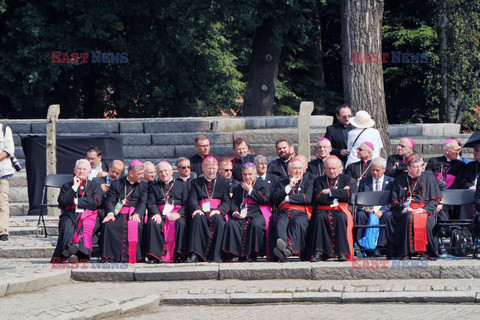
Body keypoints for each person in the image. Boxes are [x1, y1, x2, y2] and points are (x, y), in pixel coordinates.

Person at [386, 155, 442, 260]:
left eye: (421, 166)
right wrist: (405, 208)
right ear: (408, 168)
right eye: (416, 167)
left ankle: (424, 253)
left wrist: (423, 209)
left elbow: (434, 200)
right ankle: (405, 253)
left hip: (425, 211)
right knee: (407, 217)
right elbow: (394, 201)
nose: (419, 169)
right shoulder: (399, 180)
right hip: (405, 210)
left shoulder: (428, 178)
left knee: (422, 220)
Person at [306, 156, 357, 262]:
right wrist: (339, 193)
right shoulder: (319, 180)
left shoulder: (347, 179)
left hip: (340, 210)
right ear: (325, 168)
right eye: (329, 168)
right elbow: (318, 197)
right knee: (319, 217)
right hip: (323, 210)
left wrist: (329, 191)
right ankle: (319, 252)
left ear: (340, 168)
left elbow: (348, 195)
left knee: (341, 217)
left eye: (334, 168)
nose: (331, 171)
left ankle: (342, 253)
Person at [51, 159, 103, 263]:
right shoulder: (67, 186)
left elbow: (96, 202)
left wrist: (76, 201)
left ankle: (73, 253)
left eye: (84, 169)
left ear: (89, 172)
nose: (81, 171)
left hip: (90, 215)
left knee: (84, 229)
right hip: (70, 214)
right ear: (75, 170)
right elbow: (63, 201)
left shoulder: (94, 185)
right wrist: (74, 187)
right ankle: (73, 253)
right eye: (79, 169)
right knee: (66, 226)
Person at [100, 160, 148, 263]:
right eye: (140, 174)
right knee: (108, 224)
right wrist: (110, 213)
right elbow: (110, 201)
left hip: (133, 214)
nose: (142, 176)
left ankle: (134, 257)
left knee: (136, 225)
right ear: (131, 173)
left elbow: (142, 203)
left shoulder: (144, 185)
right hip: (118, 214)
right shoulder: (116, 183)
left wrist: (137, 214)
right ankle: (109, 256)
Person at [222, 163, 271, 262]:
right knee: (232, 223)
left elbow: (265, 199)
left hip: (258, 212)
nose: (247, 177)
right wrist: (235, 212)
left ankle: (253, 254)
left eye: (250, 174)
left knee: (255, 224)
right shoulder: (238, 186)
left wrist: (250, 190)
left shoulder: (263, 183)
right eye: (245, 174)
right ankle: (235, 254)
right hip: (242, 214)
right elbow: (234, 203)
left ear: (255, 173)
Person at [186, 156, 231, 263]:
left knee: (218, 220)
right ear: (203, 168)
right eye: (208, 168)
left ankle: (216, 255)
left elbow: (226, 201)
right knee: (197, 217)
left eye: (213, 168)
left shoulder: (224, 182)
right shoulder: (196, 182)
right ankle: (195, 255)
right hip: (201, 210)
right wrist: (196, 209)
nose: (211, 171)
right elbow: (192, 199)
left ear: (217, 168)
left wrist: (219, 210)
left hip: (217, 211)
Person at [145, 161, 189, 263]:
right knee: (153, 222)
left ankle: (179, 255)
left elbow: (187, 203)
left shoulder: (182, 185)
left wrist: (179, 214)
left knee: (181, 223)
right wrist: (156, 213)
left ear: (171, 172)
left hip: (176, 213)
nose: (163, 174)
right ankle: (155, 256)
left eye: (165, 171)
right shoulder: (154, 186)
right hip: (160, 214)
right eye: (160, 172)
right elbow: (151, 203)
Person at [271, 158, 313, 261]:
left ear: (303, 170)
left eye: (300, 168)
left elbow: (307, 198)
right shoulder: (281, 182)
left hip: (301, 212)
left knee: (297, 223)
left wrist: (286, 198)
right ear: (289, 171)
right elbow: (276, 199)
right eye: (295, 168)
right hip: (283, 212)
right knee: (280, 223)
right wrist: (289, 186)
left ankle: (286, 249)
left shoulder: (308, 182)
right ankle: (284, 250)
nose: (298, 171)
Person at [356, 157, 393, 256]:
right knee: (360, 214)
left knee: (387, 216)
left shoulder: (391, 182)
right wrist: (365, 208)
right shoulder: (364, 181)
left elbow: (393, 200)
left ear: (384, 169)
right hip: (368, 209)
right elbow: (359, 200)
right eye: (373, 170)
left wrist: (382, 211)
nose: (375, 173)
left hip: (384, 210)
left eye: (378, 170)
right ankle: (361, 246)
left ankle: (380, 247)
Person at [0, 122, 15, 241]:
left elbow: (9, 149)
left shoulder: (5, 129)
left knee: (2, 202)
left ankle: (3, 231)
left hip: (1, 172)